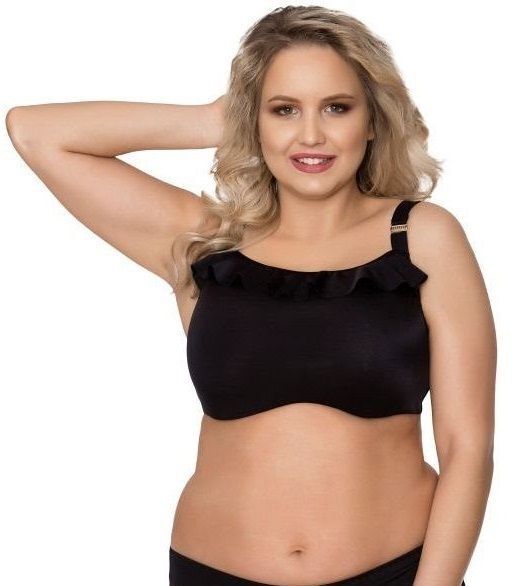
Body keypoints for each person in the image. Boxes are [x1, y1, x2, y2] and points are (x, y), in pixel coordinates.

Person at [6, 5, 495, 586]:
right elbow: (35, 132)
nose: (310, 135)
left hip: (392, 571)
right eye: (284, 109)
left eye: (336, 107)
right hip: (211, 571)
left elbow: (467, 446)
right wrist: (215, 119)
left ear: (372, 119)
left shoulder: (422, 236)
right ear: (253, 121)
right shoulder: (206, 243)